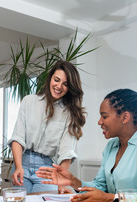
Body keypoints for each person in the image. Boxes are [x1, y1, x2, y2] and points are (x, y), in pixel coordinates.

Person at [36, 88, 137, 202]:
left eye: (104, 116)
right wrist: (74, 182)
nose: (99, 122)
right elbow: (101, 187)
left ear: (125, 117)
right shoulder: (111, 147)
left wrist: (111, 200)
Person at [8, 60, 86, 193]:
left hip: (47, 170)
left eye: (65, 84)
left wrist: (60, 180)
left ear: (70, 88)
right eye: (57, 80)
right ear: (50, 78)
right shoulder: (29, 101)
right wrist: (18, 167)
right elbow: (17, 137)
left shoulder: (69, 114)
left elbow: (66, 152)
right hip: (23, 163)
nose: (59, 86)